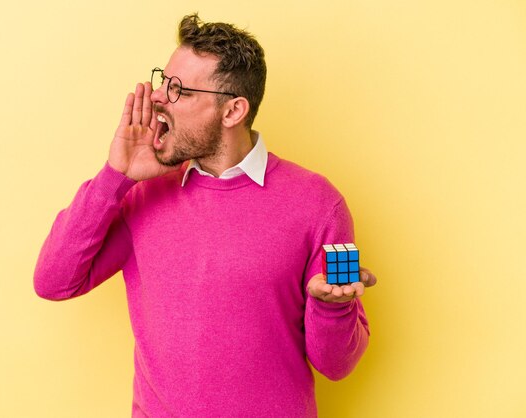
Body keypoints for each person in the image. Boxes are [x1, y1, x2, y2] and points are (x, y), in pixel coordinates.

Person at [34, 13, 376, 417]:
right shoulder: (142, 194)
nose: (159, 97)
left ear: (233, 111)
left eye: (179, 89)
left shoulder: (318, 203)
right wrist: (116, 177)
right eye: (164, 80)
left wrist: (333, 306)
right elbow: (53, 281)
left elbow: (337, 366)